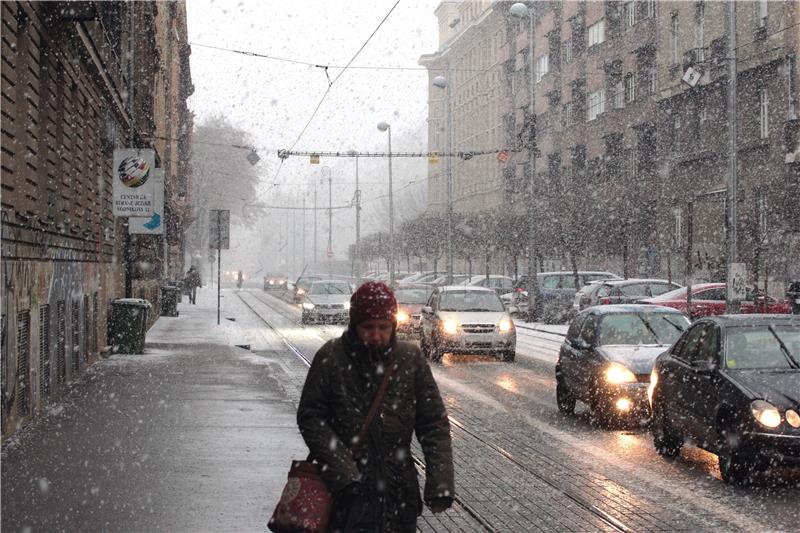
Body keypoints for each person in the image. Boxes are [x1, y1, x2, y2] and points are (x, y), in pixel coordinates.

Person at [297, 281, 454, 533]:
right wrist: (342, 468)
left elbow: (433, 423)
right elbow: (311, 418)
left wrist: (440, 481)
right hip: (345, 496)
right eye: (368, 327)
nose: (377, 335)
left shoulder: (409, 359)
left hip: (399, 495)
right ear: (354, 325)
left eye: (384, 327)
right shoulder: (331, 357)